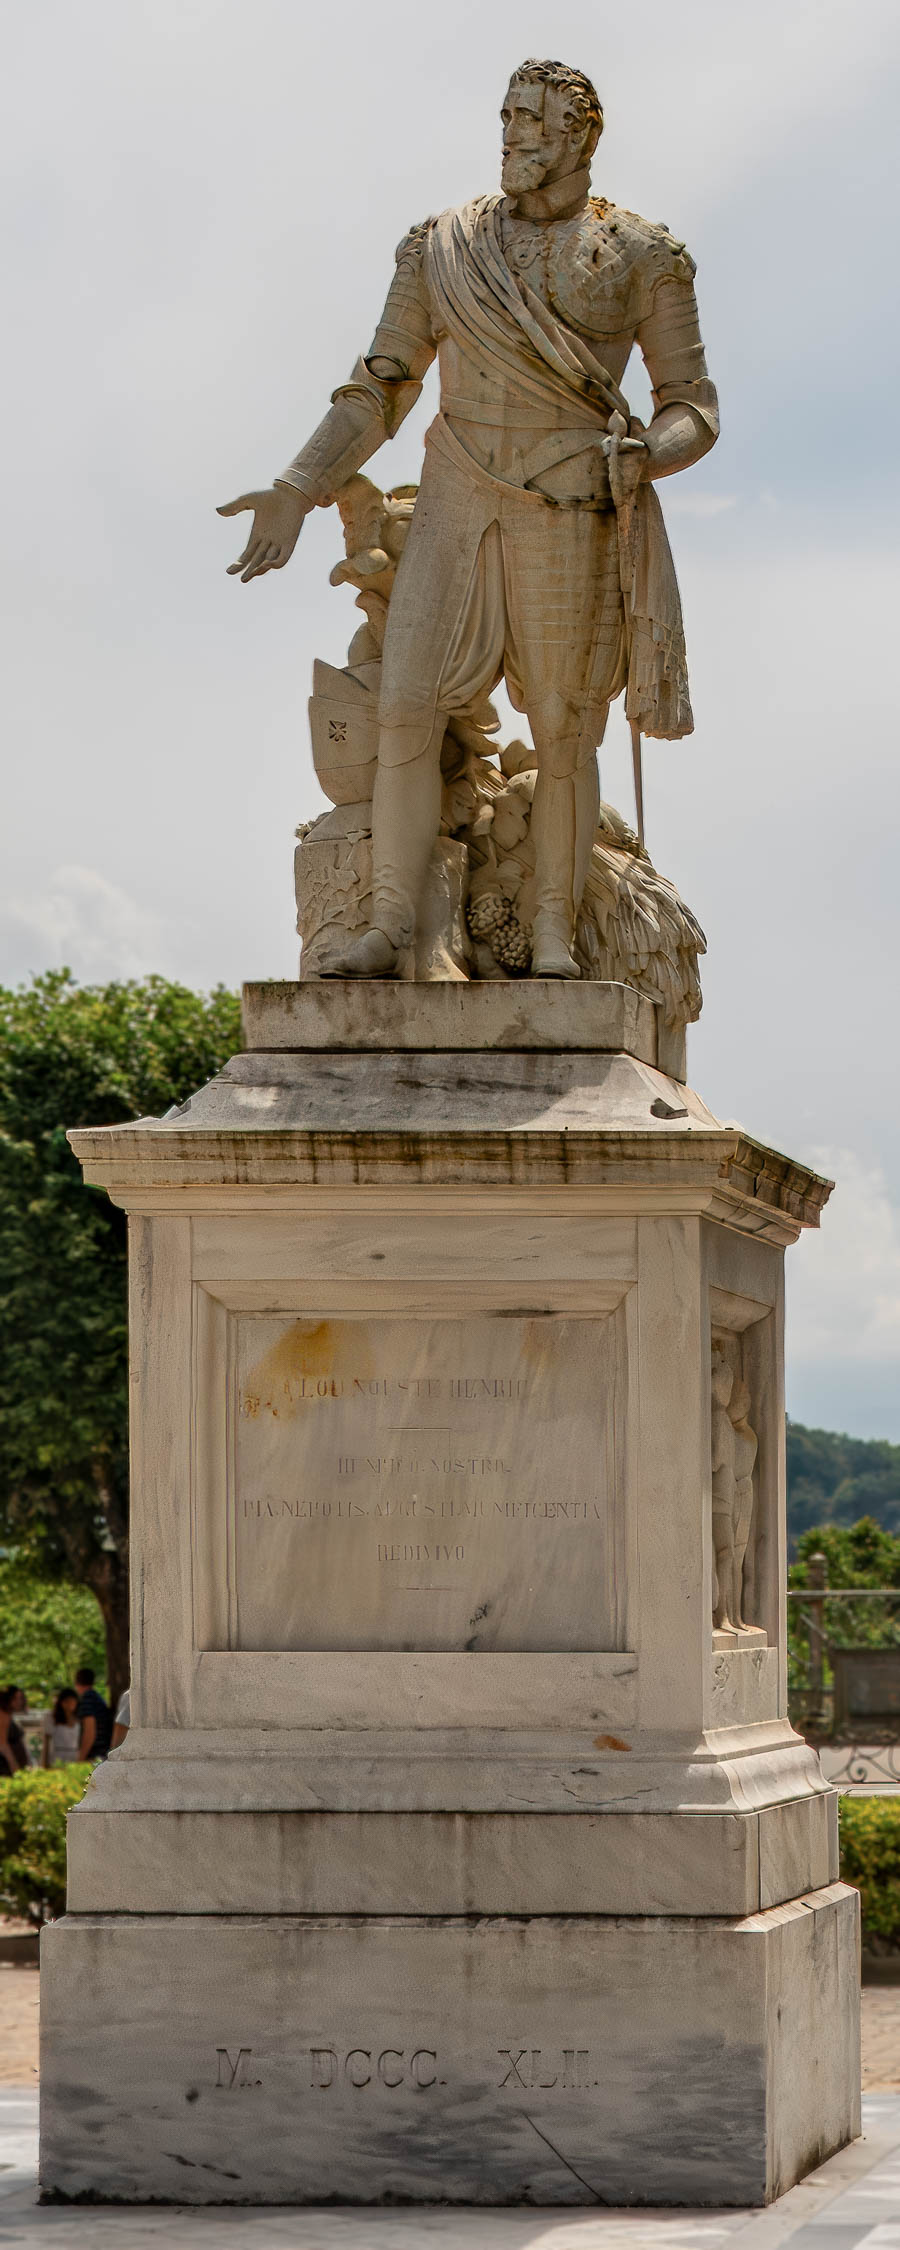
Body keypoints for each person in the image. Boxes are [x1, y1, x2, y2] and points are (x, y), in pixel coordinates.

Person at [220, 56, 717, 979]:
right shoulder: (440, 248)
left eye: (533, 121)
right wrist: (298, 484)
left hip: (570, 504)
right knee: (405, 707)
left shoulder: (646, 255)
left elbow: (693, 403)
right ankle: (391, 928)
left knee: (566, 726)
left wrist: (653, 451)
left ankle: (558, 936)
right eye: (506, 117)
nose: (513, 135)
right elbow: (380, 386)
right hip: (454, 498)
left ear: (580, 137)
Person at [75, 1667, 112, 1761]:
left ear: (76, 1682)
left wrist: (80, 1759)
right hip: (103, 1754)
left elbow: (90, 1732)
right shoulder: (96, 1697)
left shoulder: (87, 1698)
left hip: (96, 1756)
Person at [42, 1687, 82, 1768]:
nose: (70, 1704)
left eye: (73, 1701)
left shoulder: (80, 1718)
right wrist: (44, 1763)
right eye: (67, 1701)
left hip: (75, 1758)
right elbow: (46, 1742)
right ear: (61, 1702)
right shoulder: (52, 1717)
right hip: (57, 1757)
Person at [3, 1685, 31, 1770]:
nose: (19, 1702)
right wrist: (14, 1765)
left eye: (20, 1698)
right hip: (5, 1766)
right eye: (15, 1698)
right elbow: (2, 1744)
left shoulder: (10, 1715)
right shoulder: (3, 1715)